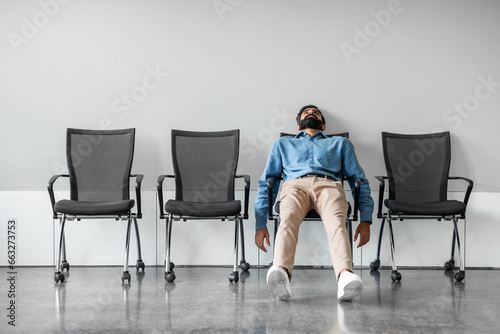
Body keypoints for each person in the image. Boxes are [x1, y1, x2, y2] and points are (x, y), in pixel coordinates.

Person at [254, 105, 374, 301]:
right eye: (306, 112)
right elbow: (267, 181)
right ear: (298, 125)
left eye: (316, 112)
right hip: (294, 186)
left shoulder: (341, 143)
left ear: (324, 125)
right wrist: (260, 224)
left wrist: (366, 219)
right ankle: (281, 273)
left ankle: (344, 277)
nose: (311, 113)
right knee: (288, 219)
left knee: (337, 223)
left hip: (329, 186)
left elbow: (358, 179)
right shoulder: (282, 144)